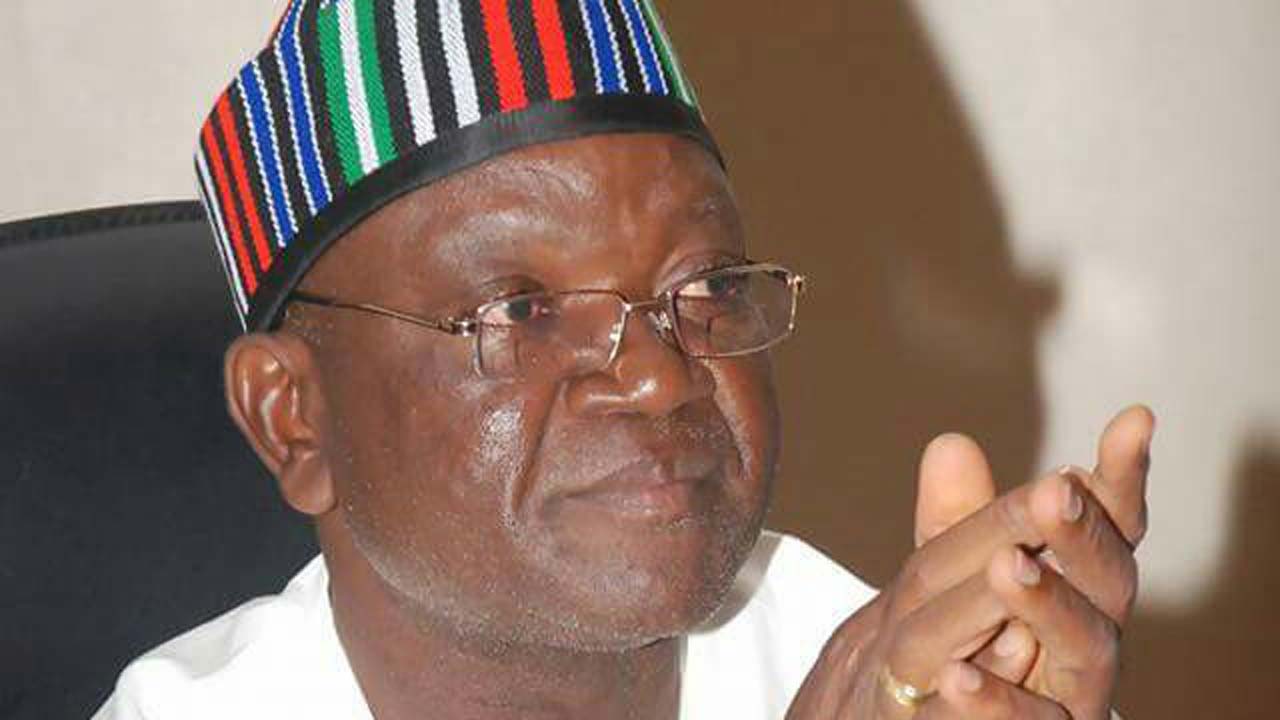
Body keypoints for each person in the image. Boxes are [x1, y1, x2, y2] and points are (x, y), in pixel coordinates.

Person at [93, 1, 1154, 718]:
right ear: (293, 417)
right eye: (520, 309)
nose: (658, 374)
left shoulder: (897, 672)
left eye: (706, 286)